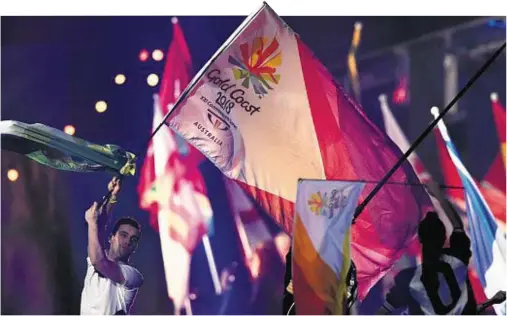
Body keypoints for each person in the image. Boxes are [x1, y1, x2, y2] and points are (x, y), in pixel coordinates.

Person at [80, 177, 144, 315]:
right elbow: (100, 223)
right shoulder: (96, 254)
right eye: (123, 235)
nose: (127, 241)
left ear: (135, 247)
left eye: (133, 239)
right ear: (111, 238)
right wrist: (113, 195)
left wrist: (92, 223)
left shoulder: (132, 275)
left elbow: (99, 262)